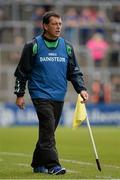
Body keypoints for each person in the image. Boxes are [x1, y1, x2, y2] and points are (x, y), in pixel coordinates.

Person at [14, 11, 89, 175]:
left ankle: (37, 163)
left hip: (59, 95)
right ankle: (52, 165)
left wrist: (81, 89)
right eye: (54, 24)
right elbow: (22, 72)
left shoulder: (67, 47)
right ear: (45, 26)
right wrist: (19, 95)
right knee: (48, 127)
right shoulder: (33, 46)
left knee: (48, 131)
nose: (58, 27)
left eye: (60, 24)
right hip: (40, 94)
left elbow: (74, 72)